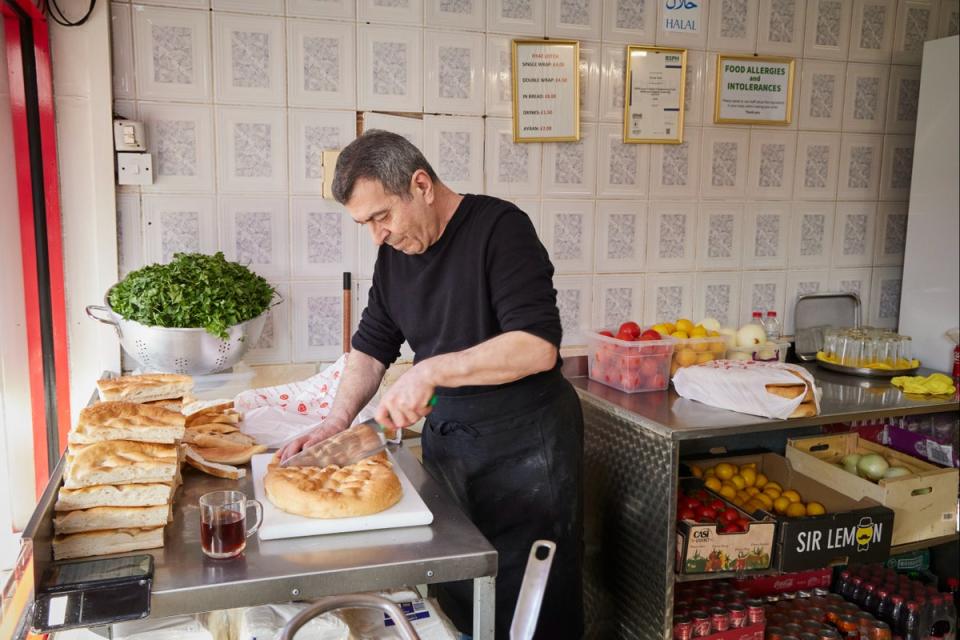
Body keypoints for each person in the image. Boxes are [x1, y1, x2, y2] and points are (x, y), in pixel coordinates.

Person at [279, 130, 583, 639]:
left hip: (526, 454)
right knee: (460, 596)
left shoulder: (500, 229)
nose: (377, 234)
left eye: (382, 216)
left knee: (529, 608)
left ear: (421, 184)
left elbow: (536, 346)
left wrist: (430, 371)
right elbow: (372, 345)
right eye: (366, 224)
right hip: (452, 449)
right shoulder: (396, 252)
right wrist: (336, 421)